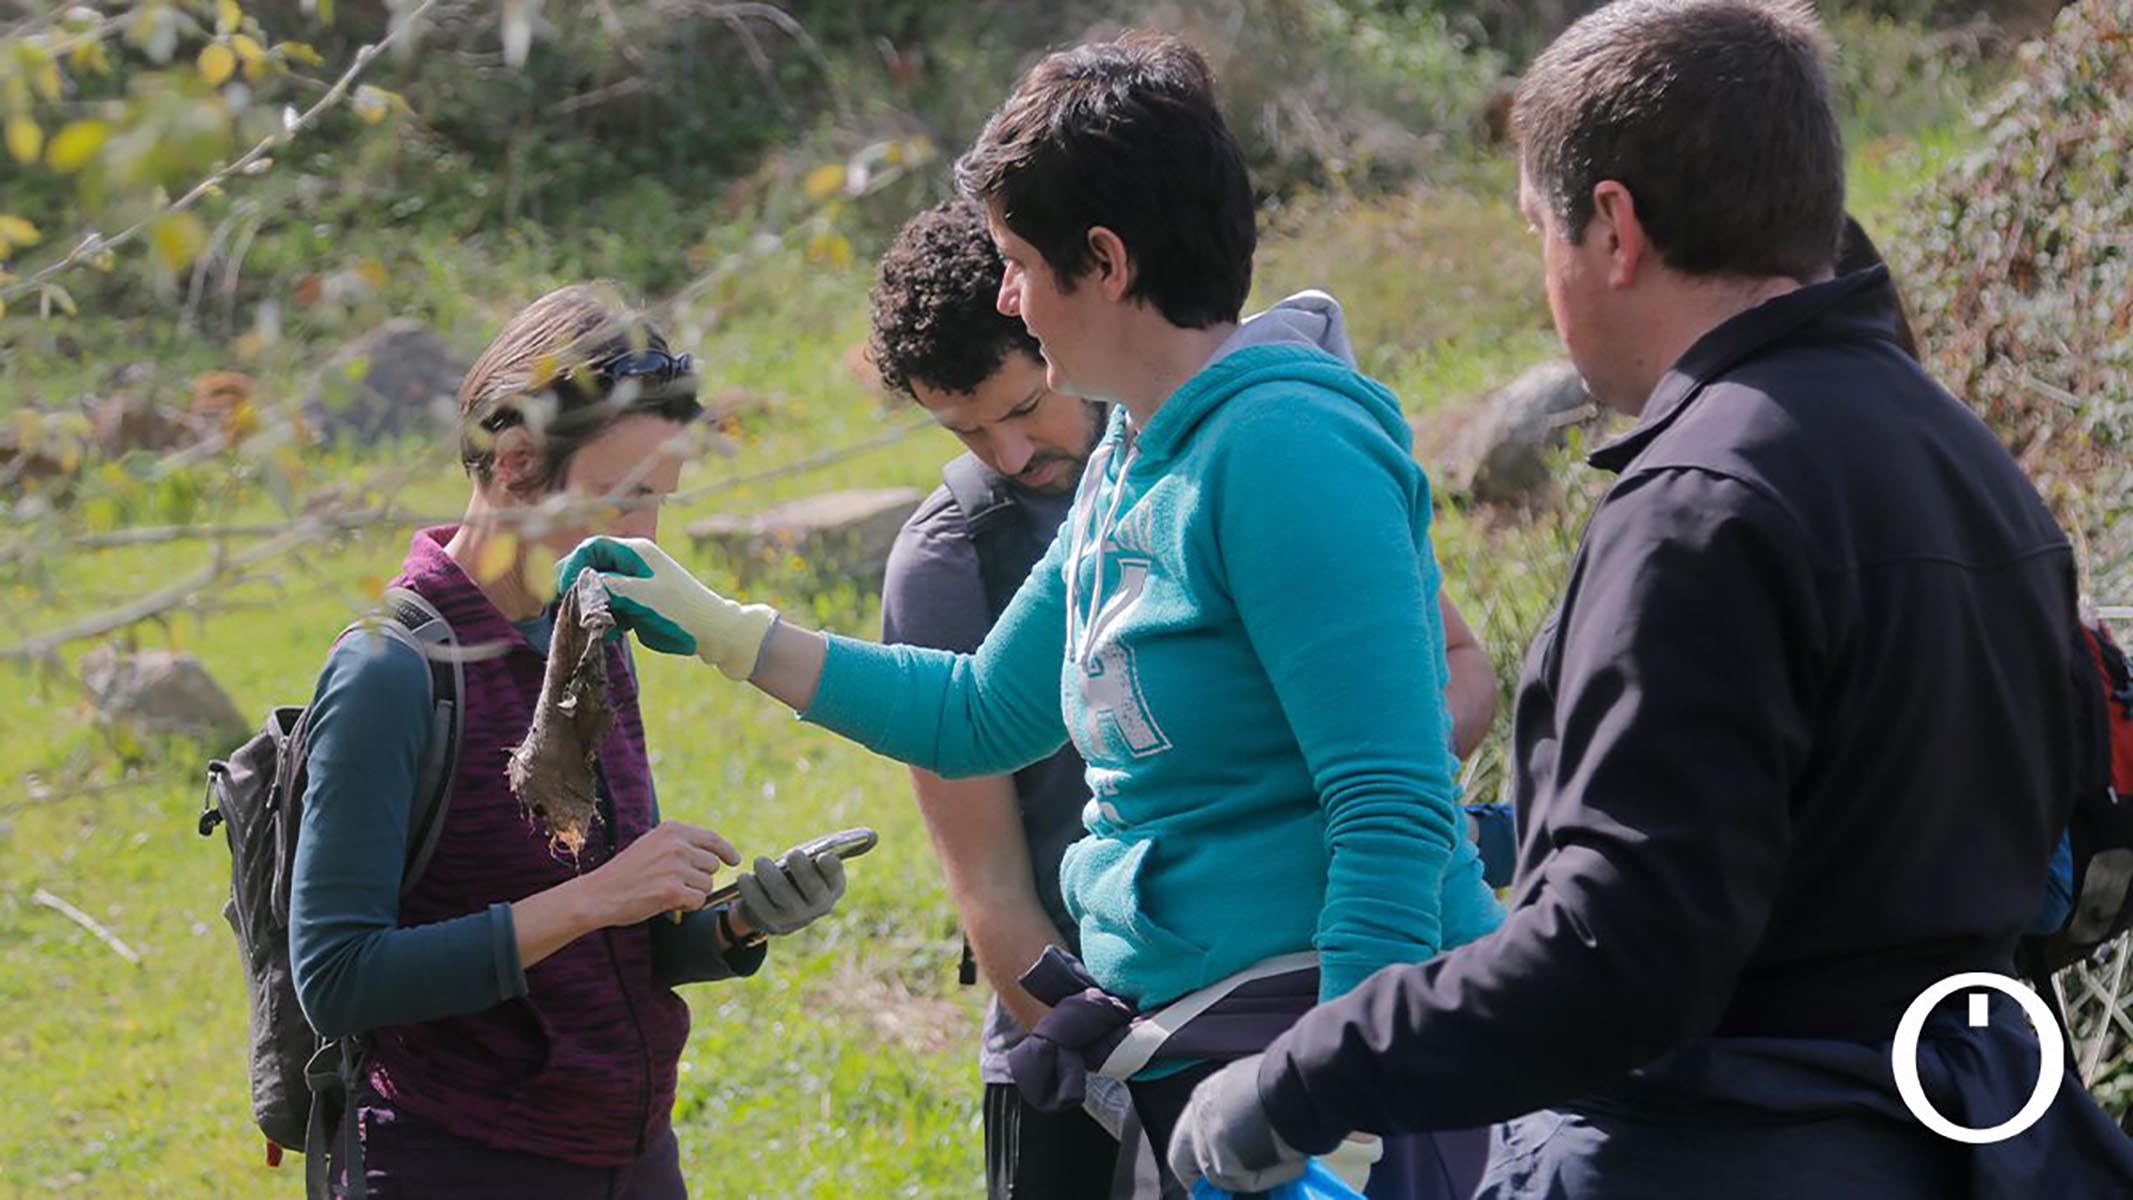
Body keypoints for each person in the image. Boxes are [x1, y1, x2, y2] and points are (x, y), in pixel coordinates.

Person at [1163, 4, 2133, 1197]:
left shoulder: (1702, 506)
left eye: (1540, 232)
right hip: (1976, 1137)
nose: (1547, 280)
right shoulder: (1974, 468)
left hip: (1729, 1146)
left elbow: (1620, 957)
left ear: (1613, 228)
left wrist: (1302, 1072)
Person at [563, 32, 1504, 1198]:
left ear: (1103, 261)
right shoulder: (1132, 457)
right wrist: (724, 631)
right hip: (1216, 1055)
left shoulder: (1284, 452)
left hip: (1328, 1071)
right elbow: (979, 715)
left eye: (1015, 260)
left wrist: (1344, 1101)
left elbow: (1393, 806)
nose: (1004, 291)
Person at [869, 198, 1512, 1197]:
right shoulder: (953, 558)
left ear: (1068, 323)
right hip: (1094, 1040)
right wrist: (1118, 1071)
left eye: (1022, 406)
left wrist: (1357, 777)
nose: (1006, 453)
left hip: (1318, 998)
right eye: (964, 431)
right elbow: (988, 880)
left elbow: (1454, 671)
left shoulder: (1257, 453)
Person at [287, 284, 851, 1198]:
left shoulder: (589, 634)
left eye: (659, 500)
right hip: (461, 1163)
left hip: (628, 1157)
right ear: (512, 462)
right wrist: (597, 897)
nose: (646, 538)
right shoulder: (390, 671)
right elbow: (340, 978)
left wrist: (735, 922)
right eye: (620, 499)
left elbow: (613, 937)